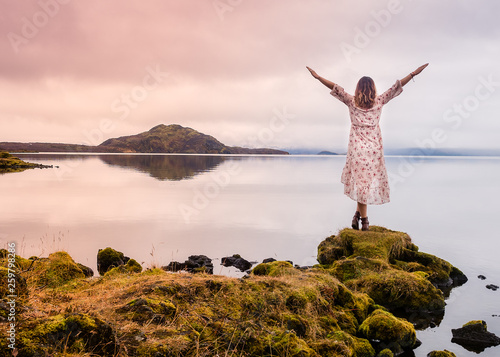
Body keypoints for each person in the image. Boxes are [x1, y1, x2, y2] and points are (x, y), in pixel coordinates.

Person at [306, 63, 428, 231]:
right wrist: (414, 73)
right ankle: (364, 221)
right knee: (365, 184)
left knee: (362, 184)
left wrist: (318, 77)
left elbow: (335, 87)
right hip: (373, 150)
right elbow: (397, 86)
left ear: (358, 89)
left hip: (357, 149)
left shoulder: (351, 101)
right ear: (373, 89)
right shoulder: (379, 101)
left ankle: (358, 217)